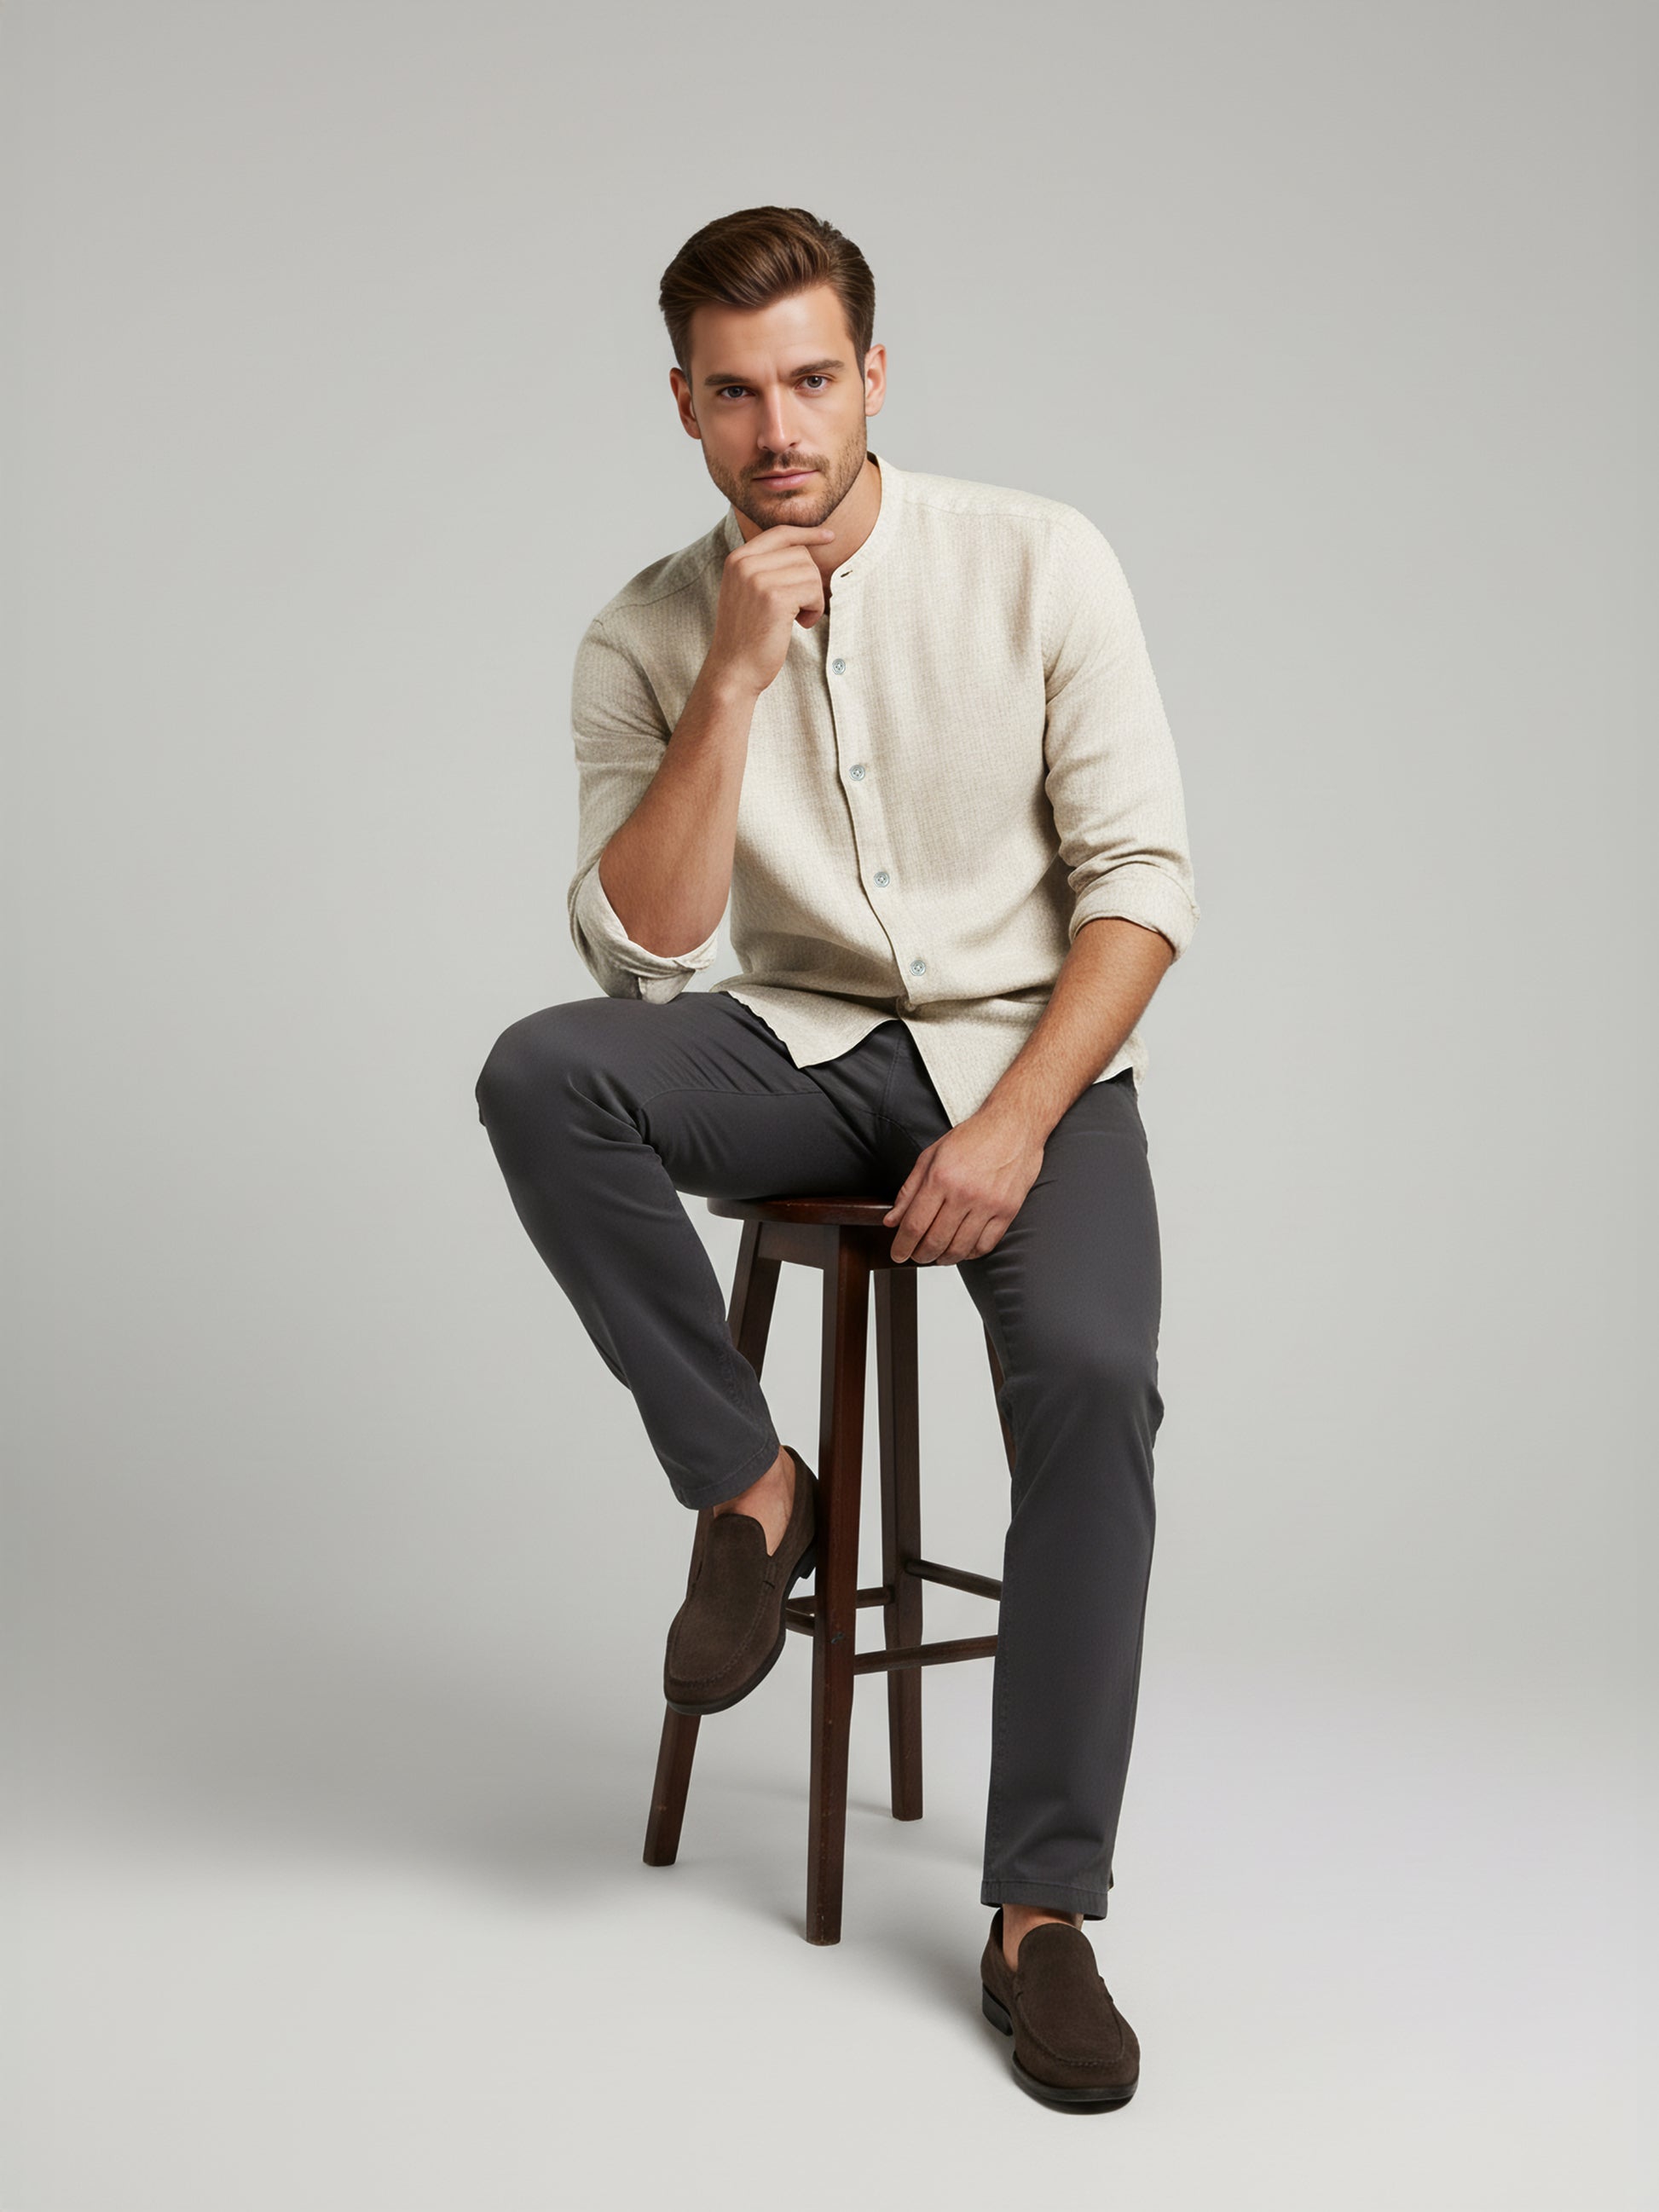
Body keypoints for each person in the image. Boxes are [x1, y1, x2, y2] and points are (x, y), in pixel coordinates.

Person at [474, 205, 1199, 2112]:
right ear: (683, 407)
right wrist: (729, 679)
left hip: (1029, 1058)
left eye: (810, 378)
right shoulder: (643, 632)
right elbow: (642, 955)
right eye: (734, 393)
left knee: (1095, 1377)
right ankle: (756, 1490)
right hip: (797, 1043)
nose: (777, 427)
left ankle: (1040, 1914)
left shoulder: (1039, 560)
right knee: (544, 1076)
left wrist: (1014, 1121)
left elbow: (1142, 888)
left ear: (874, 373)